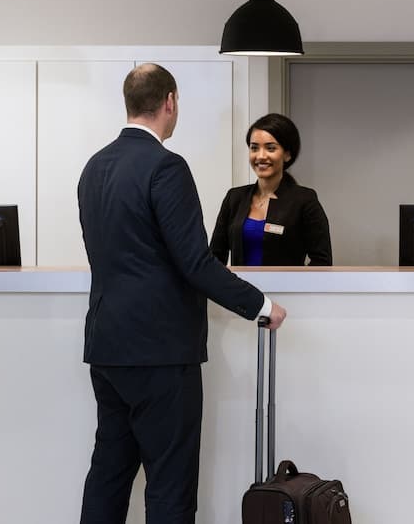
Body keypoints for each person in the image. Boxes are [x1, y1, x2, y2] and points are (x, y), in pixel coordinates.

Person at [76, 63, 286, 524]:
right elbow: (195, 263)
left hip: (107, 346)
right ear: (170, 101)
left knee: (109, 473)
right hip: (160, 352)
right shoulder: (166, 167)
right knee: (170, 485)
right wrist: (261, 305)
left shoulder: (95, 167)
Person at [210, 113, 332, 266]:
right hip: (238, 283)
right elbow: (215, 257)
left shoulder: (304, 200)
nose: (261, 156)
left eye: (270, 148)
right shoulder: (234, 197)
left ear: (287, 154)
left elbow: (322, 261)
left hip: (286, 283)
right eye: (254, 148)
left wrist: (296, 281)